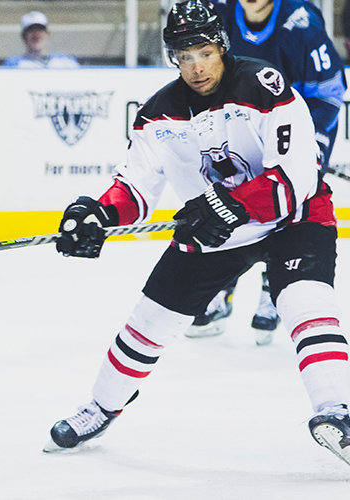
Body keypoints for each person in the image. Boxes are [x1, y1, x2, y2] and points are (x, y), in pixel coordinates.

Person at [44, 0, 350, 469]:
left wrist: (233, 203)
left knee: (304, 303)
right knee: (148, 323)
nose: (195, 66)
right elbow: (134, 187)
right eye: (183, 56)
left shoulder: (264, 87)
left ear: (221, 47)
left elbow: (295, 180)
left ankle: (337, 414)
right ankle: (101, 406)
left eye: (203, 52)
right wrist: (98, 214)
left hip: (295, 219)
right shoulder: (158, 114)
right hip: (217, 230)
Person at [186, 0, 349, 344]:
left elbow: (329, 93)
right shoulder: (220, 15)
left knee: (286, 199)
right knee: (228, 194)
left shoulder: (301, 24)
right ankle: (223, 287)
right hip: (242, 120)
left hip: (302, 122)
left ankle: (272, 285)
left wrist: (301, 142)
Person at [4, 11, 80, 69]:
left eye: (40, 29)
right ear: (24, 37)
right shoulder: (14, 65)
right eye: (31, 30)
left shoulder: (66, 63)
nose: (36, 34)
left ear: (47, 34)